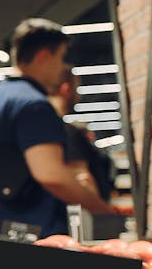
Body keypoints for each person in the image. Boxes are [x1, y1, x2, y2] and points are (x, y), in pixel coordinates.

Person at [0, 18, 114, 238]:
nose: (63, 67)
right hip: (32, 233)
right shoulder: (33, 104)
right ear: (43, 57)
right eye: (61, 57)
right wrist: (101, 209)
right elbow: (51, 175)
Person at [46, 66, 117, 203]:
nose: (78, 96)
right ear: (66, 89)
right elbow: (83, 180)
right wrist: (103, 212)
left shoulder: (46, 130)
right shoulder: (66, 132)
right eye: (76, 88)